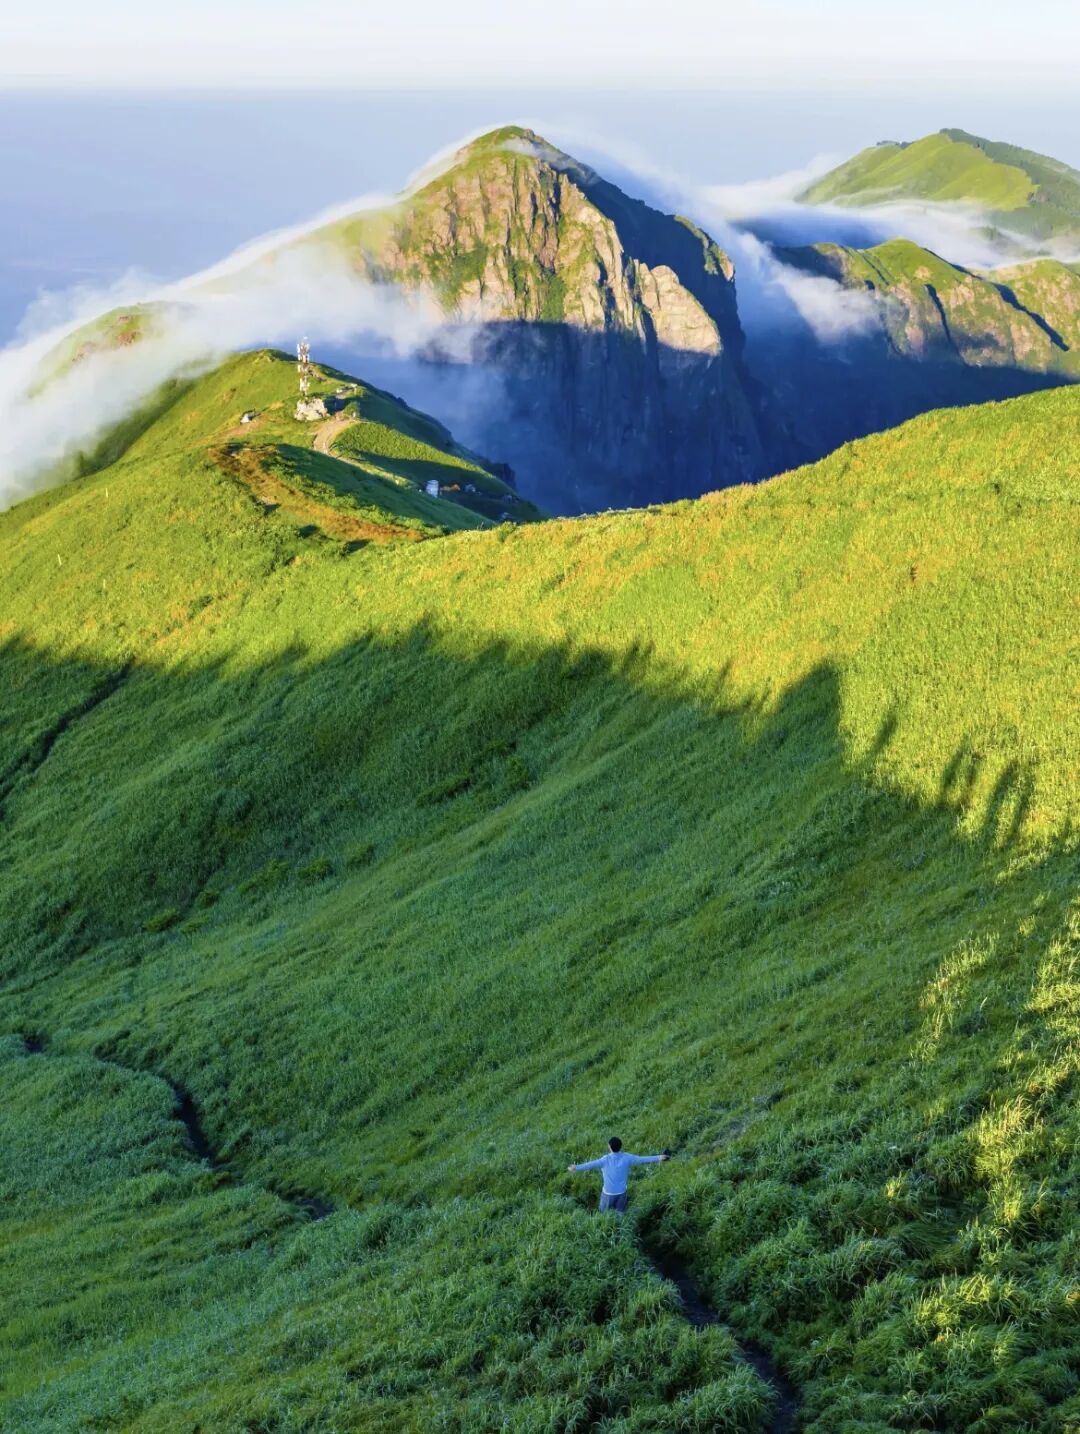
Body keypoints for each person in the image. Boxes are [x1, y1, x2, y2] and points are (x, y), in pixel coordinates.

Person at [567, 1137, 670, 1213]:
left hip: (608, 1194)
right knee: (620, 1214)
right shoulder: (627, 1157)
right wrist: (660, 1157)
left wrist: (575, 1168)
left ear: (609, 1147)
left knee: (603, 1214)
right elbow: (642, 1159)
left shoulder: (605, 1159)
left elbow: (590, 1165)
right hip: (622, 1193)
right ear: (620, 1146)